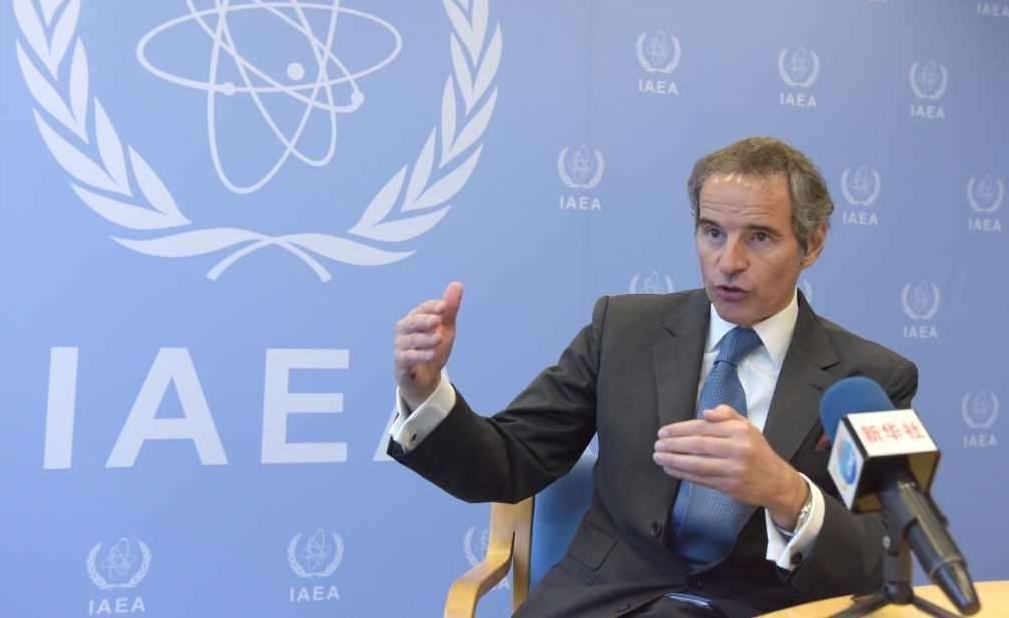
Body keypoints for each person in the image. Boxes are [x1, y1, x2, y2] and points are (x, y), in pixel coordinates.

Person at [388, 136, 918, 617]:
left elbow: (882, 556)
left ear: (813, 243)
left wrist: (786, 492)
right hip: (599, 604)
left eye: (759, 237)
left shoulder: (869, 379)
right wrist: (424, 393)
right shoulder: (622, 330)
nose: (728, 262)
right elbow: (506, 462)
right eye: (712, 232)